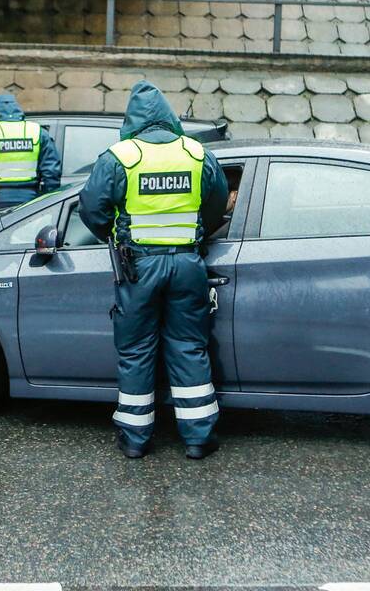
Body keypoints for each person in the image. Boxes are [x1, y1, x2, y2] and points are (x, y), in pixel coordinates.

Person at [78, 80, 229, 460]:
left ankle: (135, 440)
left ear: (132, 119)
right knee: (189, 346)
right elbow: (215, 208)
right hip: (187, 263)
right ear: (168, 116)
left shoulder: (120, 157)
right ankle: (198, 439)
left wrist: (115, 235)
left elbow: (92, 210)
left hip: (138, 268)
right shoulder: (197, 154)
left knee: (136, 350)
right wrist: (193, 236)